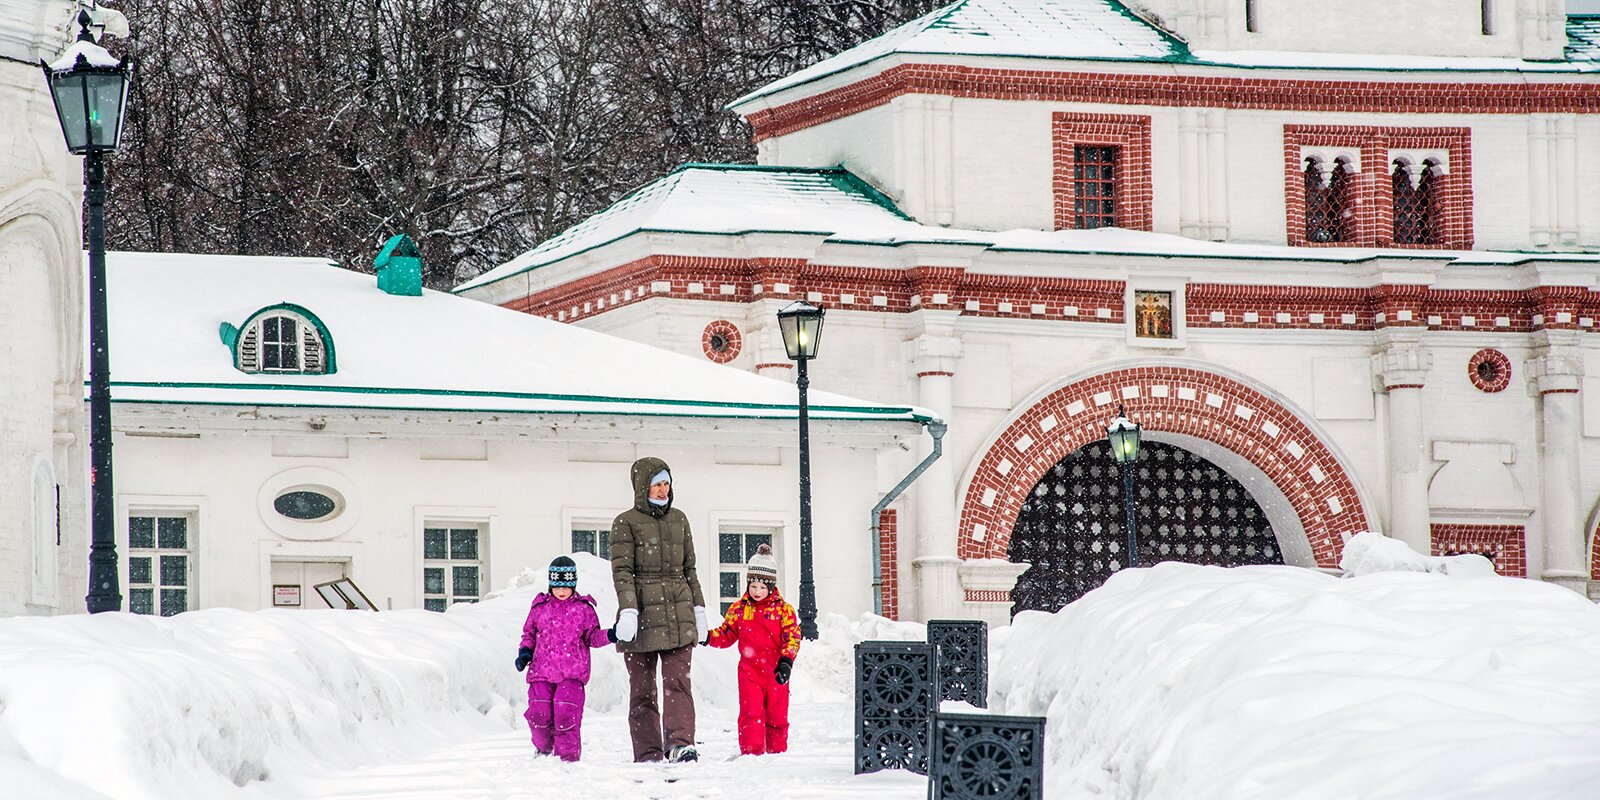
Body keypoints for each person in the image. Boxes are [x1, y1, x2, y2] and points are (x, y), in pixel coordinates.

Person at [609, 457, 710, 763]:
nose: (664, 489)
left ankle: (681, 743)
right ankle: (647, 750)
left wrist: (699, 608)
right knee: (642, 690)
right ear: (643, 486)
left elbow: (689, 569)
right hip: (640, 616)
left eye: (667, 483)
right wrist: (628, 610)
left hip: (678, 615)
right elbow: (622, 571)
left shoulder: (679, 519)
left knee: (678, 683)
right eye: (657, 483)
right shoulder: (625, 522)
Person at [514, 555, 614, 762]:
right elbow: (529, 635)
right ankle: (543, 749)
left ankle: (567, 759)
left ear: (573, 584)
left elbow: (593, 637)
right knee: (539, 715)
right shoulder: (539, 608)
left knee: (566, 715)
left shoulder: (584, 609)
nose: (561, 591)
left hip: (572, 674)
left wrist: (611, 635)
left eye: (566, 587)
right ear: (551, 584)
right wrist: (524, 653)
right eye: (557, 586)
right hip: (541, 671)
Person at [705, 543, 801, 756]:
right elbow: (727, 633)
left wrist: (786, 661)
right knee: (751, 713)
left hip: (776, 672)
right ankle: (751, 754)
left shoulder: (784, 610)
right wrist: (707, 637)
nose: (757, 591)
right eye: (753, 586)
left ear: (771, 587)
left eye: (762, 587)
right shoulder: (739, 609)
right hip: (750, 673)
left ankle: (777, 754)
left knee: (777, 716)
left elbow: (792, 637)